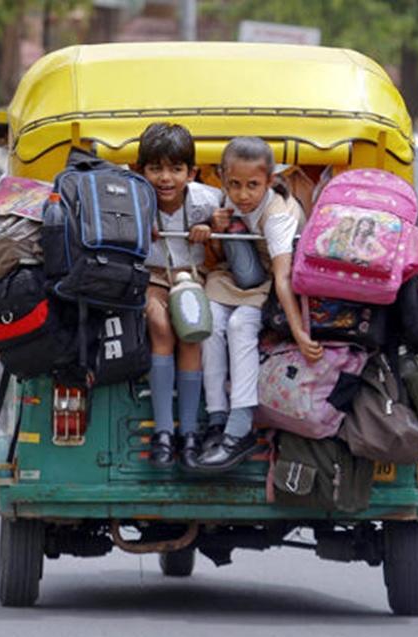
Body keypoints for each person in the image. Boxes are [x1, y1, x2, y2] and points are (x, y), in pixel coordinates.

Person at [198, 136, 324, 473]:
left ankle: (238, 428)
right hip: (234, 276)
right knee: (208, 323)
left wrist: (299, 330)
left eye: (253, 185)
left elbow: (283, 278)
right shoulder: (229, 201)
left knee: (241, 325)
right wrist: (215, 224)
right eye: (234, 184)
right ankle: (216, 419)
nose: (242, 194)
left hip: (270, 281)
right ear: (223, 179)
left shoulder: (278, 214)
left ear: (270, 181)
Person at [137, 122, 221, 470]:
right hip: (151, 278)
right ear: (141, 171)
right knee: (160, 325)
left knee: (191, 332)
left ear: (192, 172)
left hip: (191, 278)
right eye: (155, 168)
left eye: (176, 168)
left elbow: (227, 235)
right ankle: (161, 432)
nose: (165, 178)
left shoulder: (206, 201)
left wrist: (211, 230)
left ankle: (187, 433)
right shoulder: (133, 199)